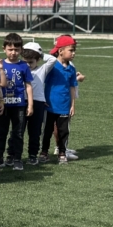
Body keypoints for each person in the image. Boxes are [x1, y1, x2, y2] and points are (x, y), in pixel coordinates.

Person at [0, 33, 33, 172]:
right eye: (10, 49)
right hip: (2, 105)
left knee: (18, 133)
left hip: (19, 105)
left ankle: (17, 159)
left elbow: (28, 85)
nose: (13, 52)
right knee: (1, 133)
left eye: (16, 49)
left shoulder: (24, 66)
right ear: (4, 49)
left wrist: (30, 104)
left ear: (21, 50)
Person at [40, 35, 78, 165]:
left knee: (63, 131)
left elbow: (72, 87)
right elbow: (41, 82)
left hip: (64, 106)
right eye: (71, 50)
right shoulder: (52, 66)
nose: (73, 53)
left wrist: (72, 105)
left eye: (74, 50)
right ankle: (44, 152)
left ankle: (62, 153)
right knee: (47, 130)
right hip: (49, 105)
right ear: (60, 51)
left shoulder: (72, 69)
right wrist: (42, 98)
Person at [21, 42, 56, 166]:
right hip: (22, 102)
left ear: (37, 60)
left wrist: (40, 53)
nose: (28, 65)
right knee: (19, 130)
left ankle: (32, 155)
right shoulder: (20, 68)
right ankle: (15, 155)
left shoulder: (42, 69)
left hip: (38, 103)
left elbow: (52, 59)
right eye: (25, 61)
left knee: (35, 131)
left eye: (31, 62)